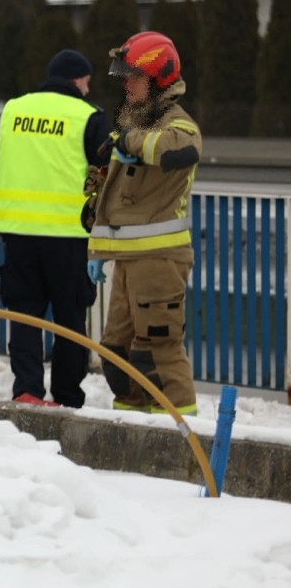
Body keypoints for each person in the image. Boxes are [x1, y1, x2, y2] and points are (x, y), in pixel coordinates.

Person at [0, 49, 111, 408]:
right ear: (78, 80)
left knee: (24, 315)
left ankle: (28, 391)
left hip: (19, 235)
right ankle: (67, 397)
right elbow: (107, 175)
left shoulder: (13, 111)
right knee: (69, 320)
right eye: (87, 81)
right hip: (69, 238)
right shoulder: (89, 116)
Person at [88, 31, 202, 415]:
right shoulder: (134, 122)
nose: (126, 84)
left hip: (159, 260)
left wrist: (131, 142)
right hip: (128, 259)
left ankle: (184, 446)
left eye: (134, 76)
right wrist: (97, 249)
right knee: (118, 356)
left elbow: (176, 150)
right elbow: (115, 198)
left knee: (156, 357)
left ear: (159, 78)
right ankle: (132, 438)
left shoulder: (178, 124)